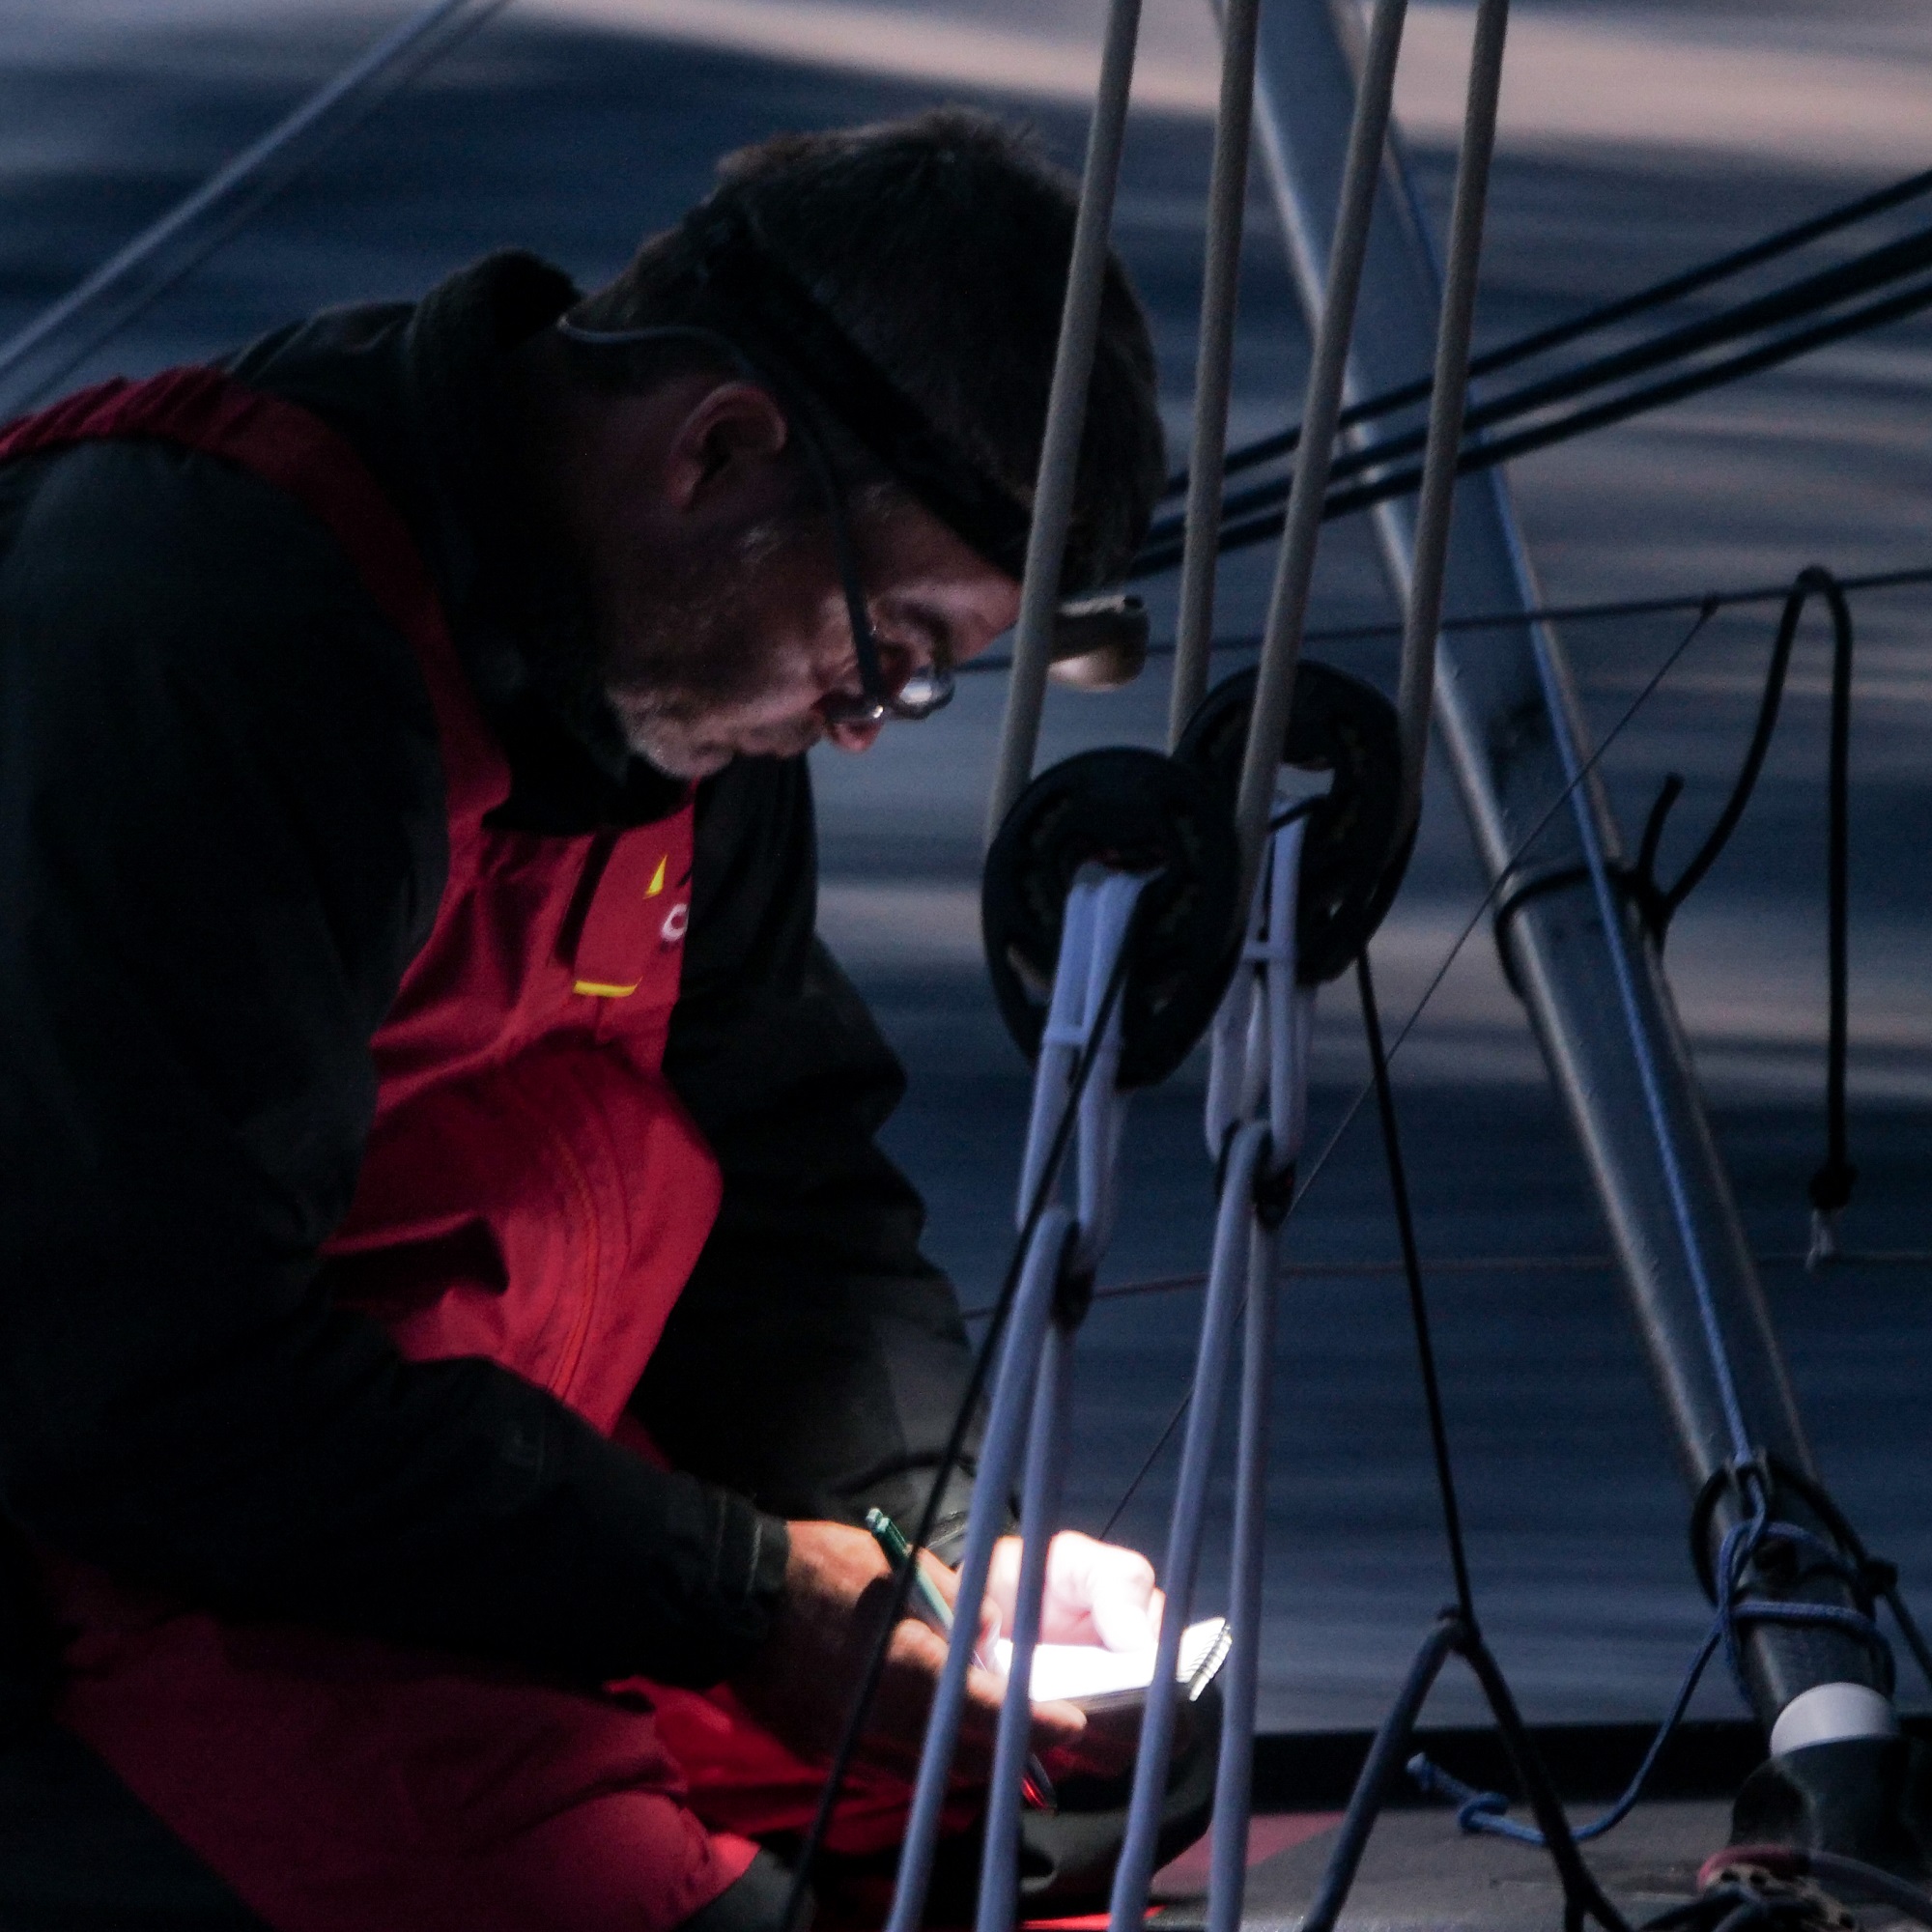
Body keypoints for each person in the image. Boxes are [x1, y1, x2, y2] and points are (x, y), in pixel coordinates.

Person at [0, 108, 1202, 1932]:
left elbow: (784, 1168)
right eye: (897, 650)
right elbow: (143, 1386)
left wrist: (935, 1541)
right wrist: (742, 1595)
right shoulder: (206, 639)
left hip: (414, 1521)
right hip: (109, 1558)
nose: (874, 720)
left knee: (1034, 1802)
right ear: (721, 450)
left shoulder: (685, 686)